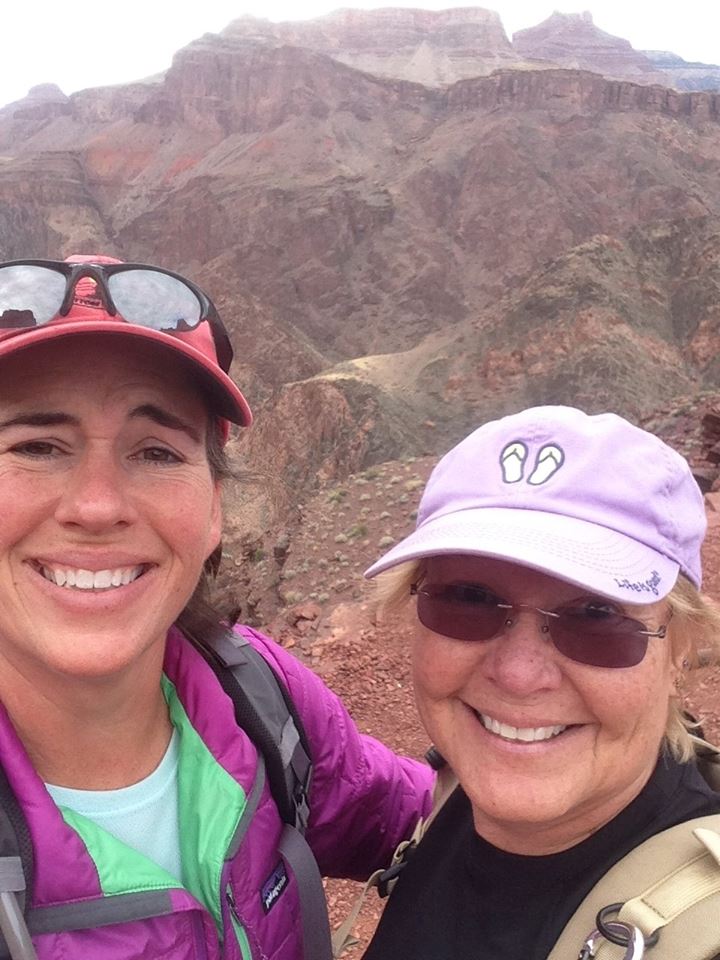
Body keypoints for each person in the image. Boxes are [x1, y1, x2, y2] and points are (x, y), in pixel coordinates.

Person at [0, 254, 433, 960]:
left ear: (213, 512)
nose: (97, 506)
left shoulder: (257, 699)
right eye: (38, 446)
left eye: (156, 452)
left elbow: (426, 819)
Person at [362, 405, 720, 960]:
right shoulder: (454, 799)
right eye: (469, 600)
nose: (518, 674)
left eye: (597, 616)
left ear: (680, 652)